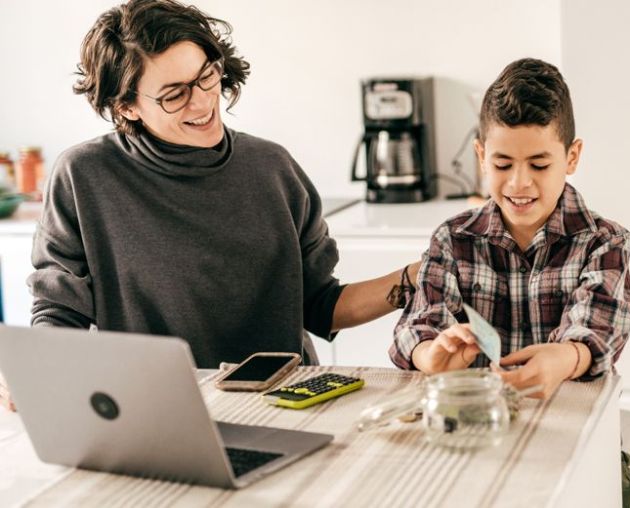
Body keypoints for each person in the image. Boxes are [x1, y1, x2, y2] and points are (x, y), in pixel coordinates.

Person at [0, 0, 419, 411]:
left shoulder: (273, 167)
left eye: (206, 77)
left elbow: (319, 305)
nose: (202, 102)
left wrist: (413, 278)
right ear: (126, 105)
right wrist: (37, 371)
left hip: (282, 402)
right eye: (173, 95)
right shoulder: (85, 175)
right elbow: (60, 309)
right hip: (156, 406)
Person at [390, 58, 630, 506]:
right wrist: (434, 356)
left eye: (540, 164)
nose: (519, 182)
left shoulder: (603, 242)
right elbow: (418, 325)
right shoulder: (453, 240)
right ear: (480, 156)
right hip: (475, 439)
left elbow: (598, 328)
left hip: (579, 442)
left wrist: (566, 359)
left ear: (572, 157)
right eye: (503, 163)